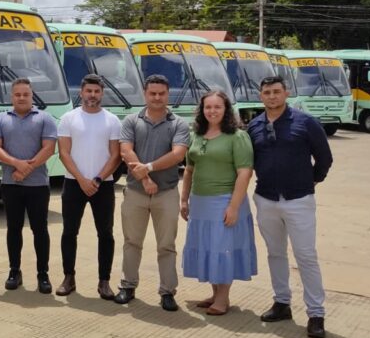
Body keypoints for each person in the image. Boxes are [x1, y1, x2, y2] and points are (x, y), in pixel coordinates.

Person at [248, 75, 333, 338]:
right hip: (266, 199)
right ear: (260, 96)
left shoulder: (305, 123)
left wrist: (311, 181)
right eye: (266, 92)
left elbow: (324, 158)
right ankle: (282, 302)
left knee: (306, 255)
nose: (271, 96)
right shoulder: (254, 126)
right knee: (275, 253)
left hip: (299, 201)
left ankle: (316, 314)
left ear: (286, 93)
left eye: (276, 91)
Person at [115, 75, 190, 311]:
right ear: (145, 94)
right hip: (136, 192)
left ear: (168, 94)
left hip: (166, 192)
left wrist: (148, 167)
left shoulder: (179, 124)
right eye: (152, 93)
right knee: (131, 242)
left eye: (161, 93)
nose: (157, 98)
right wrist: (146, 178)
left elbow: (178, 155)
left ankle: (167, 291)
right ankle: (128, 286)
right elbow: (126, 151)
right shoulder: (130, 121)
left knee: (166, 245)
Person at [180, 91, 257, 316]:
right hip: (200, 201)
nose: (212, 111)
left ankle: (223, 299)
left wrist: (233, 206)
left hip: (225, 200)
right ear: (202, 110)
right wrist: (184, 199)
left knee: (222, 248)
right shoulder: (196, 134)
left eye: (217, 107)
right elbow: (189, 170)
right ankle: (215, 294)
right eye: (208, 107)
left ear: (226, 110)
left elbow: (245, 173)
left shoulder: (237, 137)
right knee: (207, 247)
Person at [55, 74, 122, 299]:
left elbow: (116, 155)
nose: (92, 95)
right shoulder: (68, 118)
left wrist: (98, 179)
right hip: (74, 183)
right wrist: (82, 180)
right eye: (88, 91)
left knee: (106, 234)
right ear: (81, 92)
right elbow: (64, 153)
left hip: (102, 185)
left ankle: (104, 281)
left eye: (96, 91)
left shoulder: (112, 120)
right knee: (69, 232)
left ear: (102, 94)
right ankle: (68, 277)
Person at [0, 78, 57, 293]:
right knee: (13, 229)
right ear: (12, 96)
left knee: (40, 230)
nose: (21, 98)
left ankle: (43, 274)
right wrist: (15, 164)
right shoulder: (1, 119)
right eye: (17, 94)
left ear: (31, 95)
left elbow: (49, 148)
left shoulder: (44, 118)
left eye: (25, 94)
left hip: (37, 185)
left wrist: (26, 169)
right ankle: (14, 271)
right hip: (10, 184)